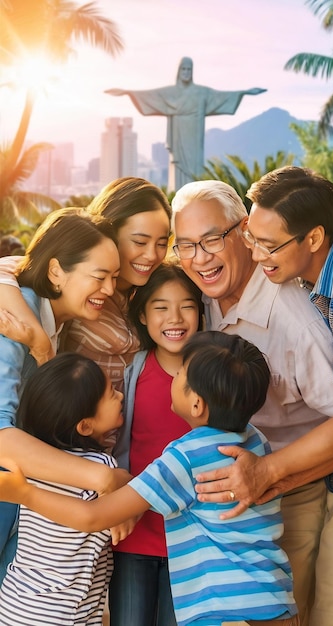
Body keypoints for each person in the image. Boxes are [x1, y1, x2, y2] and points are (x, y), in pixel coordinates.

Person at [0, 331, 299, 626]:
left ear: (196, 404)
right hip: (273, 598)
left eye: (180, 372)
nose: (174, 376)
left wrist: (26, 494)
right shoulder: (256, 442)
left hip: (222, 607)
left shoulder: (185, 457)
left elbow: (92, 516)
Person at [170, 179, 333, 626]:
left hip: (294, 489)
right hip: (226, 498)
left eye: (211, 239)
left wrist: (272, 476)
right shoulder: (197, 297)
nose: (199, 257)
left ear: (243, 232)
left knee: (288, 613)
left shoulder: (295, 319)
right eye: (185, 245)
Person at [0, 207, 131, 584]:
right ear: (56, 271)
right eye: (100, 276)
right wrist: (103, 480)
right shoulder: (17, 317)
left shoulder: (54, 325)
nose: (108, 288)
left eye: (114, 278)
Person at [0, 177, 172, 390]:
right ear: (109, 234)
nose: (151, 255)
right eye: (140, 242)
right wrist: (38, 340)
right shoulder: (73, 285)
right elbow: (12, 270)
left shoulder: (155, 286)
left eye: (162, 243)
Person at [0, 352, 124, 626]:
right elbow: (119, 511)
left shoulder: (32, 467)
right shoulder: (102, 465)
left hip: (16, 602)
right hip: (64, 612)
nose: (120, 396)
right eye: (111, 393)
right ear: (85, 425)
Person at [110, 262, 203, 626]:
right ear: (144, 316)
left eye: (187, 305)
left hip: (190, 540)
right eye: (161, 307)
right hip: (135, 533)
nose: (175, 317)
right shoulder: (132, 369)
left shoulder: (209, 376)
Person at [106, 57, 266, 191]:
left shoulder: (201, 92)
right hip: (178, 135)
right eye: (183, 69)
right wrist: (129, 92)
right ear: (179, 71)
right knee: (178, 169)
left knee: (195, 171)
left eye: (189, 69)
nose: (186, 73)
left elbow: (220, 97)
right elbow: (151, 96)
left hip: (194, 137)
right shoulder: (170, 92)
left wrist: (243, 93)